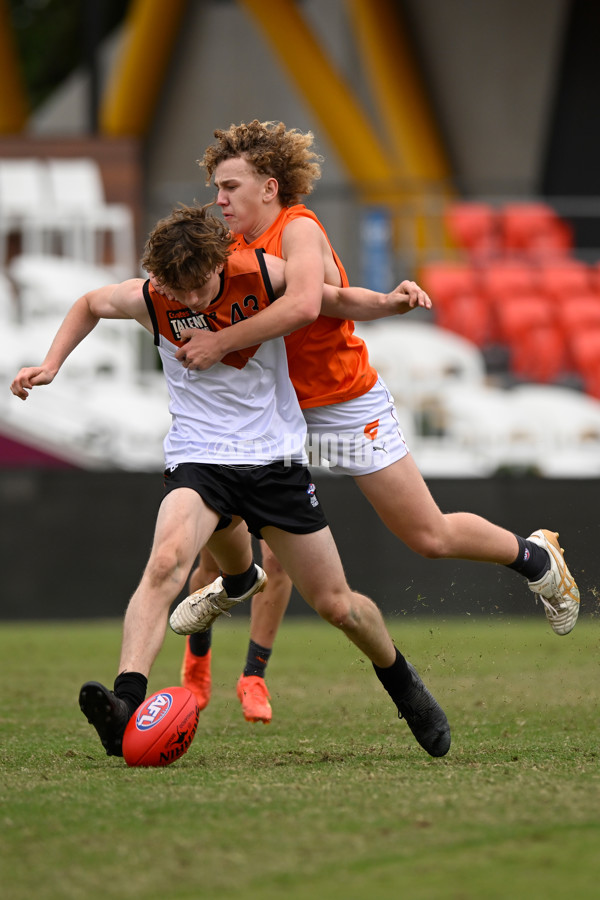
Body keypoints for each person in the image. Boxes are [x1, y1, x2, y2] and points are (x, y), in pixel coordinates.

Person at [170, 120, 580, 725]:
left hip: (341, 405)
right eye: (216, 187)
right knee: (225, 534)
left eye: (230, 186)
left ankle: (536, 559)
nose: (220, 198)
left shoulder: (299, 227)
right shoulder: (225, 246)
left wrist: (221, 340)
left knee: (428, 536)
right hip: (273, 416)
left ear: (270, 187)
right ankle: (219, 671)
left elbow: (309, 304)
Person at [10, 202, 450, 760]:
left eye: (200, 286)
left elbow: (332, 299)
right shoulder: (153, 295)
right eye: (178, 289)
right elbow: (90, 303)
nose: (190, 300)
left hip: (275, 461)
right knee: (167, 562)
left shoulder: (263, 273)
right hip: (200, 459)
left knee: (339, 606)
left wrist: (390, 301)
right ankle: (125, 705)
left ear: (222, 259)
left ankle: (403, 684)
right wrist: (51, 364)